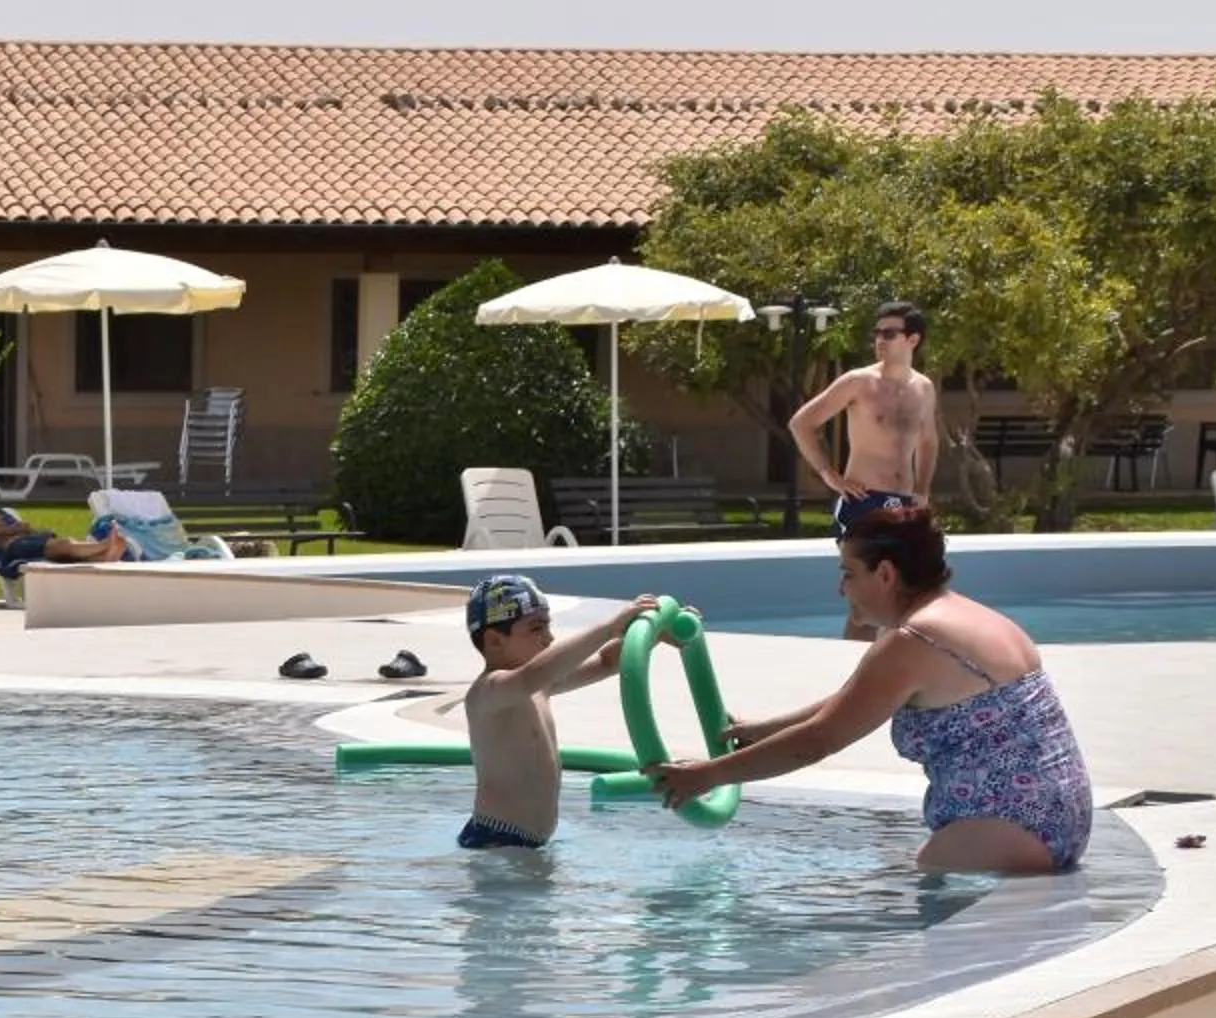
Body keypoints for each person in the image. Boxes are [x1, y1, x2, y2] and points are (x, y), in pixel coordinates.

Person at [644, 505, 1091, 873]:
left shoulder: (915, 640)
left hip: (1009, 829)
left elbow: (819, 741)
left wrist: (705, 776)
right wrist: (763, 729)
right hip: (1057, 819)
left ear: (886, 575)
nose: (841, 588)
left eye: (849, 573)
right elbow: (854, 699)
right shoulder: (965, 616)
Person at [458, 574, 670, 850]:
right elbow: (534, 674)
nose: (549, 638)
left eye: (548, 626)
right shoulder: (489, 692)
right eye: (537, 628)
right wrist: (609, 627)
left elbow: (606, 662)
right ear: (495, 640)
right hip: (495, 840)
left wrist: (653, 633)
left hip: (526, 843)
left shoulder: (538, 686)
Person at [788, 301, 938, 636]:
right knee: (867, 600)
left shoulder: (923, 388)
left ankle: (889, 672)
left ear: (913, 340)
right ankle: (856, 676)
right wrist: (828, 473)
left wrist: (923, 492)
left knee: (904, 595)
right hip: (864, 502)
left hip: (903, 504)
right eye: (877, 333)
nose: (880, 340)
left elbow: (929, 441)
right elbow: (801, 423)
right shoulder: (858, 382)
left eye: (889, 333)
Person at [0, 504, 131, 578]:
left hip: (29, 544)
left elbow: (26, 527)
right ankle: (105, 545)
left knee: (63, 552)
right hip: (17, 548)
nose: (1, 516)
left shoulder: (1, 529)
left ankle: (103, 557)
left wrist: (11, 529)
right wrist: (8, 530)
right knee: (63, 545)